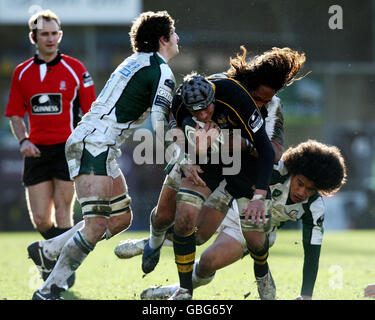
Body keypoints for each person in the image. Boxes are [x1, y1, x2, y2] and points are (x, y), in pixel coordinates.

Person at [118, 46, 306, 300]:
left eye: (264, 100)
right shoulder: (212, 89)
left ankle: (248, 272)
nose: (260, 103)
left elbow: (271, 152)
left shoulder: (272, 106)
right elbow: (175, 122)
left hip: (238, 171)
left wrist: (230, 142)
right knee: (165, 216)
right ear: (248, 84)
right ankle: (152, 242)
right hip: (198, 159)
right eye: (258, 97)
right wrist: (185, 155)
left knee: (200, 236)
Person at [27, 10, 179, 300]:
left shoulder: (132, 61)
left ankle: (48, 249)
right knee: (96, 224)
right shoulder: (162, 71)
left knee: (120, 219)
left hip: (98, 143)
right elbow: (160, 122)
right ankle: (49, 290)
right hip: (96, 143)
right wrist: (176, 155)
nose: (178, 38)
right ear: (163, 39)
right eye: (174, 33)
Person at [139, 139, 347, 300]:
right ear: (293, 171)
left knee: (208, 263)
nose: (302, 192)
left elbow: (312, 252)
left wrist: (306, 294)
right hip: (230, 203)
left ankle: (173, 289)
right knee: (190, 232)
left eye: (310, 189)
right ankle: (150, 241)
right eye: (300, 183)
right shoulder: (274, 170)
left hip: (252, 231)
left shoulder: (315, 207)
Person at [4, 10, 96, 281]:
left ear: (60, 35)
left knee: (63, 210)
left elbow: (90, 112)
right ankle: (54, 255)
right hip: (35, 152)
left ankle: (62, 272)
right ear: (34, 37)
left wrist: (82, 142)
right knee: (42, 220)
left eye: (54, 33)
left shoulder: (76, 69)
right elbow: (14, 114)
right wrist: (23, 140)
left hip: (67, 150)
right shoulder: (21, 72)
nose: (50, 38)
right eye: (44, 33)